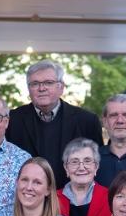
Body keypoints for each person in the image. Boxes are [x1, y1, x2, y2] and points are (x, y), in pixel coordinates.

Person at [6, 59, 103, 188]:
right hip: (27, 199)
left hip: (73, 202)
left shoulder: (87, 121)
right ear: (28, 89)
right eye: (35, 83)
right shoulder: (12, 120)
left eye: (49, 83)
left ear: (61, 87)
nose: (42, 88)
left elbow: (97, 166)